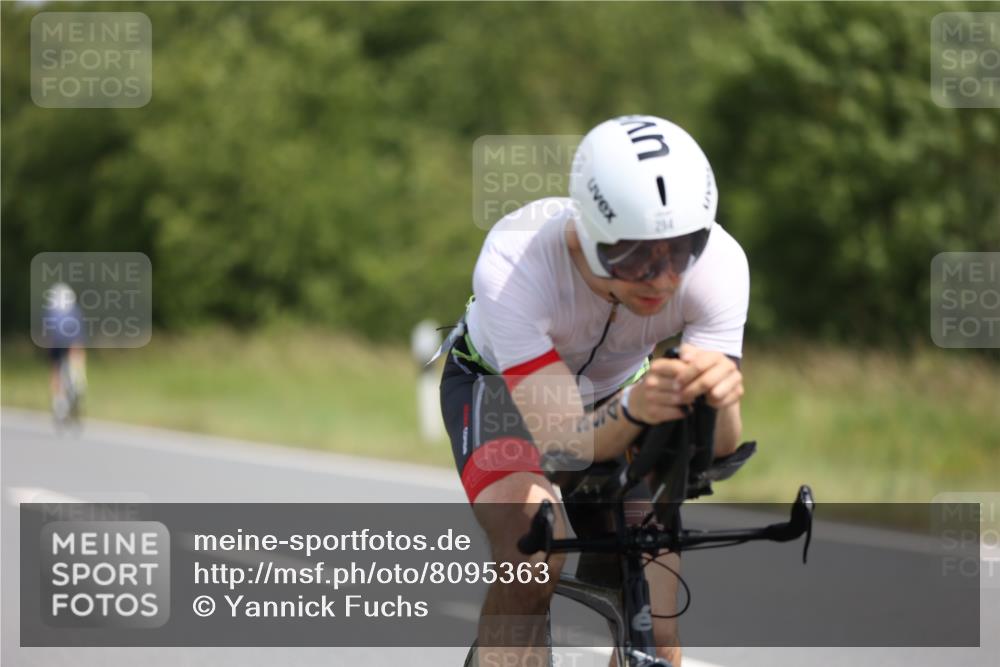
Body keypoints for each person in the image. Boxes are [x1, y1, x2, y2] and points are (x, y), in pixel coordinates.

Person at [439, 115, 749, 666]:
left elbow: (720, 451)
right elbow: (562, 447)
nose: (660, 279)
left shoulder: (719, 265)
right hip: (499, 392)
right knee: (531, 549)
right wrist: (633, 408)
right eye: (632, 255)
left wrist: (721, 400)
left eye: (680, 250)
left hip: (621, 391)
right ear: (585, 230)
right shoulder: (516, 260)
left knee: (655, 612)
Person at [41, 282, 87, 420]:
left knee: (55, 368)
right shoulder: (74, 309)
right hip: (72, 341)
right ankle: (79, 379)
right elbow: (79, 334)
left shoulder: (50, 310)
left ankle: (59, 401)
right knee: (77, 352)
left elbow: (48, 334)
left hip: (57, 342)